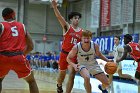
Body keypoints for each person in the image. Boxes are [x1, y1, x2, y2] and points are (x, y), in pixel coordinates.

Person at [0, 8, 39, 93]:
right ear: (13, 14)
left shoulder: (1, 25)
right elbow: (31, 46)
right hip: (18, 57)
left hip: (2, 57)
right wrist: (22, 55)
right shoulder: (22, 26)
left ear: (3, 17)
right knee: (31, 81)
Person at [51, 0, 83, 93]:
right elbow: (59, 17)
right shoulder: (67, 27)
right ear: (71, 19)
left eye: (78, 18)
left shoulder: (82, 32)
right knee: (62, 75)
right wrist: (55, 7)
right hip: (64, 54)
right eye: (75, 18)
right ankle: (59, 85)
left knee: (72, 74)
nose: (77, 19)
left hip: (73, 56)